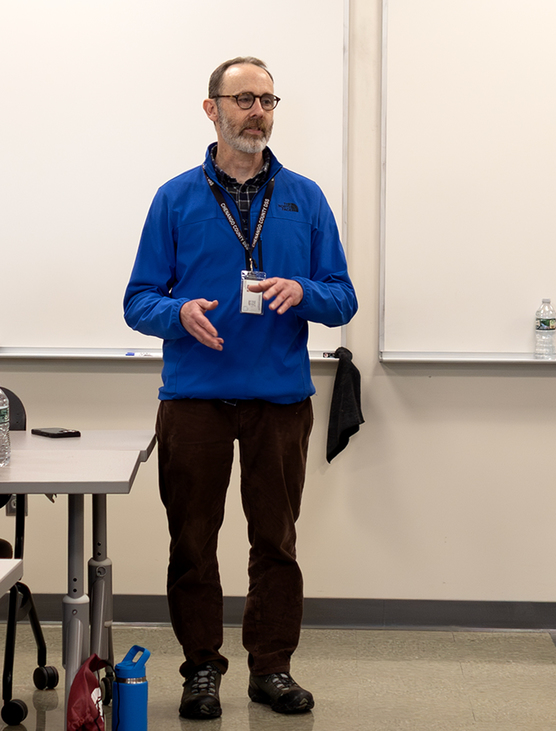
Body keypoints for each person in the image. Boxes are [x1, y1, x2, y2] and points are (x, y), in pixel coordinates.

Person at [124, 56, 357, 719]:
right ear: (213, 109)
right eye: (244, 99)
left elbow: (342, 297)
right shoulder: (175, 198)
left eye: (267, 100)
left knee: (276, 543)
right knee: (192, 542)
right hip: (194, 398)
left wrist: (303, 291)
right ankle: (201, 668)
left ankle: (271, 668)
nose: (258, 112)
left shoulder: (305, 197)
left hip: (278, 399)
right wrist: (178, 314)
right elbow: (138, 299)